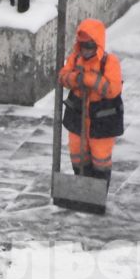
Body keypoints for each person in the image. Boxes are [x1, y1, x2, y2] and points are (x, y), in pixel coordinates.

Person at [58, 17, 125, 179]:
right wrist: (76, 79)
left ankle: (97, 192)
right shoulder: (75, 58)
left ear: (98, 44)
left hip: (102, 119)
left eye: (89, 45)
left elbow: (113, 90)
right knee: (77, 152)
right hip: (78, 115)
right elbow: (63, 77)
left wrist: (89, 79)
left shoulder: (109, 62)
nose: (86, 50)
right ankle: (82, 187)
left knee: (100, 158)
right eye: (82, 45)